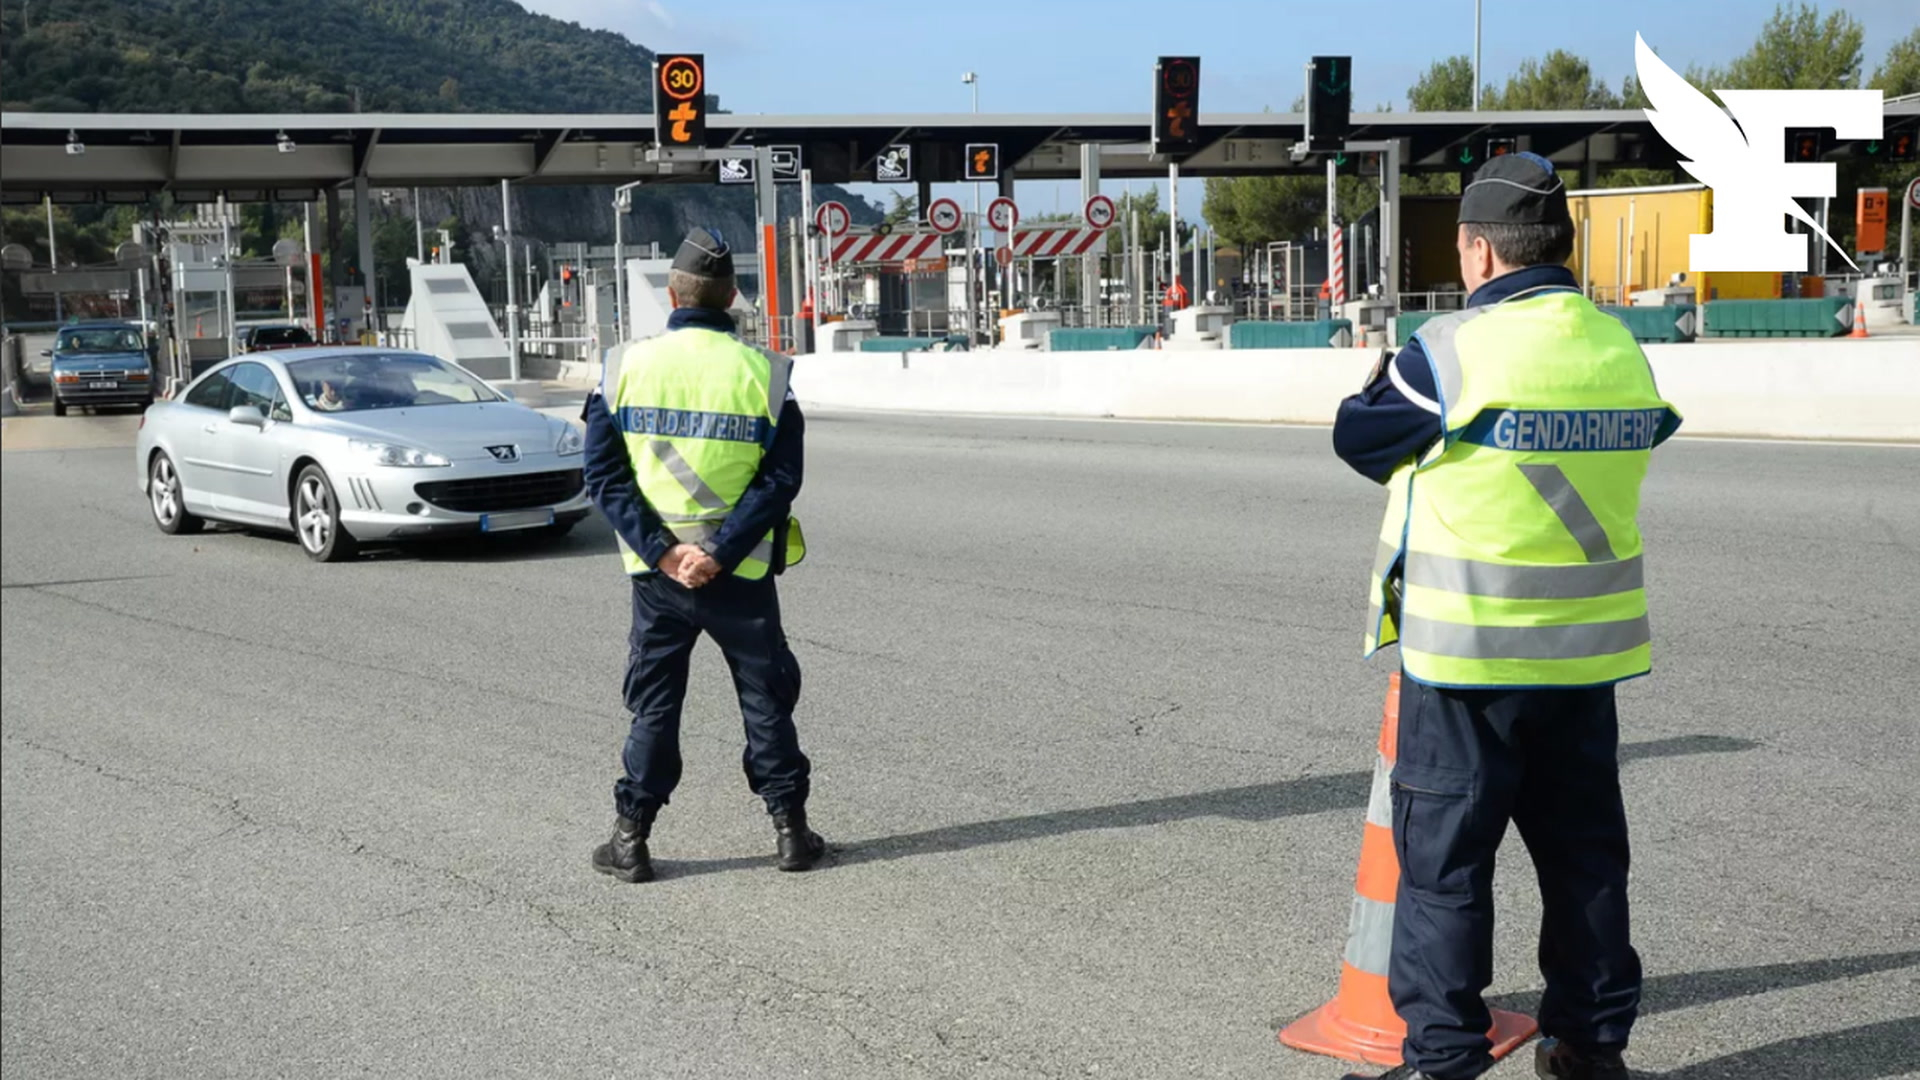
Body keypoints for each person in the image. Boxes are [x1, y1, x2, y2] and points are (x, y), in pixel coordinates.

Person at [1330, 153, 1680, 1080]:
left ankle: (1443, 1058)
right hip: (1583, 661)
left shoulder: (1450, 350)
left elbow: (1358, 436)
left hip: (1469, 661)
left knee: (1446, 873)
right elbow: (1651, 431)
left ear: (1479, 252)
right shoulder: (1619, 348)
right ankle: (1591, 1049)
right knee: (1587, 864)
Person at [580, 226, 823, 884]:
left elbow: (602, 478)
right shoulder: (767, 375)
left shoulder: (622, 368)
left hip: (657, 579)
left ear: (672, 293)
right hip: (739, 573)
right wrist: (716, 552)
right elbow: (780, 481)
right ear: (733, 295)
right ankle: (791, 834)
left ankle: (631, 840)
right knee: (765, 700)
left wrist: (665, 554)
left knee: (655, 705)